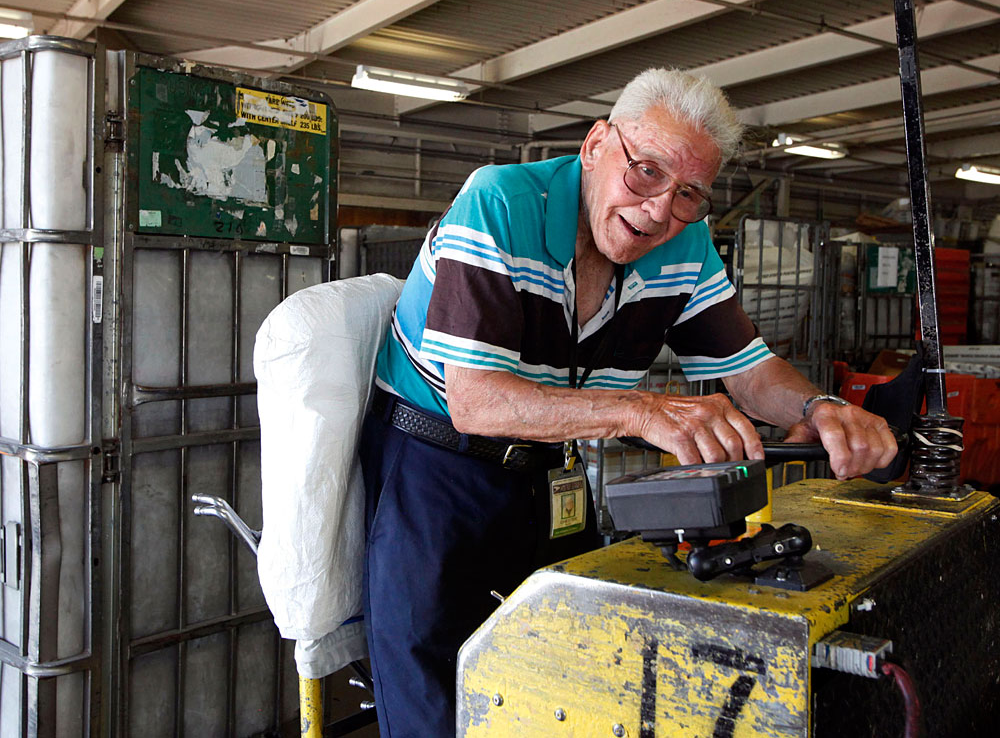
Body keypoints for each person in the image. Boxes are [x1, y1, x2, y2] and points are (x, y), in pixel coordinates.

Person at [359, 67, 897, 738]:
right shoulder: (500, 202)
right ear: (594, 146)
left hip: (549, 471)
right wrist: (639, 410)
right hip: (434, 467)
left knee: (566, 674)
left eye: (690, 194)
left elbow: (751, 372)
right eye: (644, 171)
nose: (658, 212)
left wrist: (818, 407)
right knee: (437, 700)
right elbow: (479, 403)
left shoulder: (685, 243)